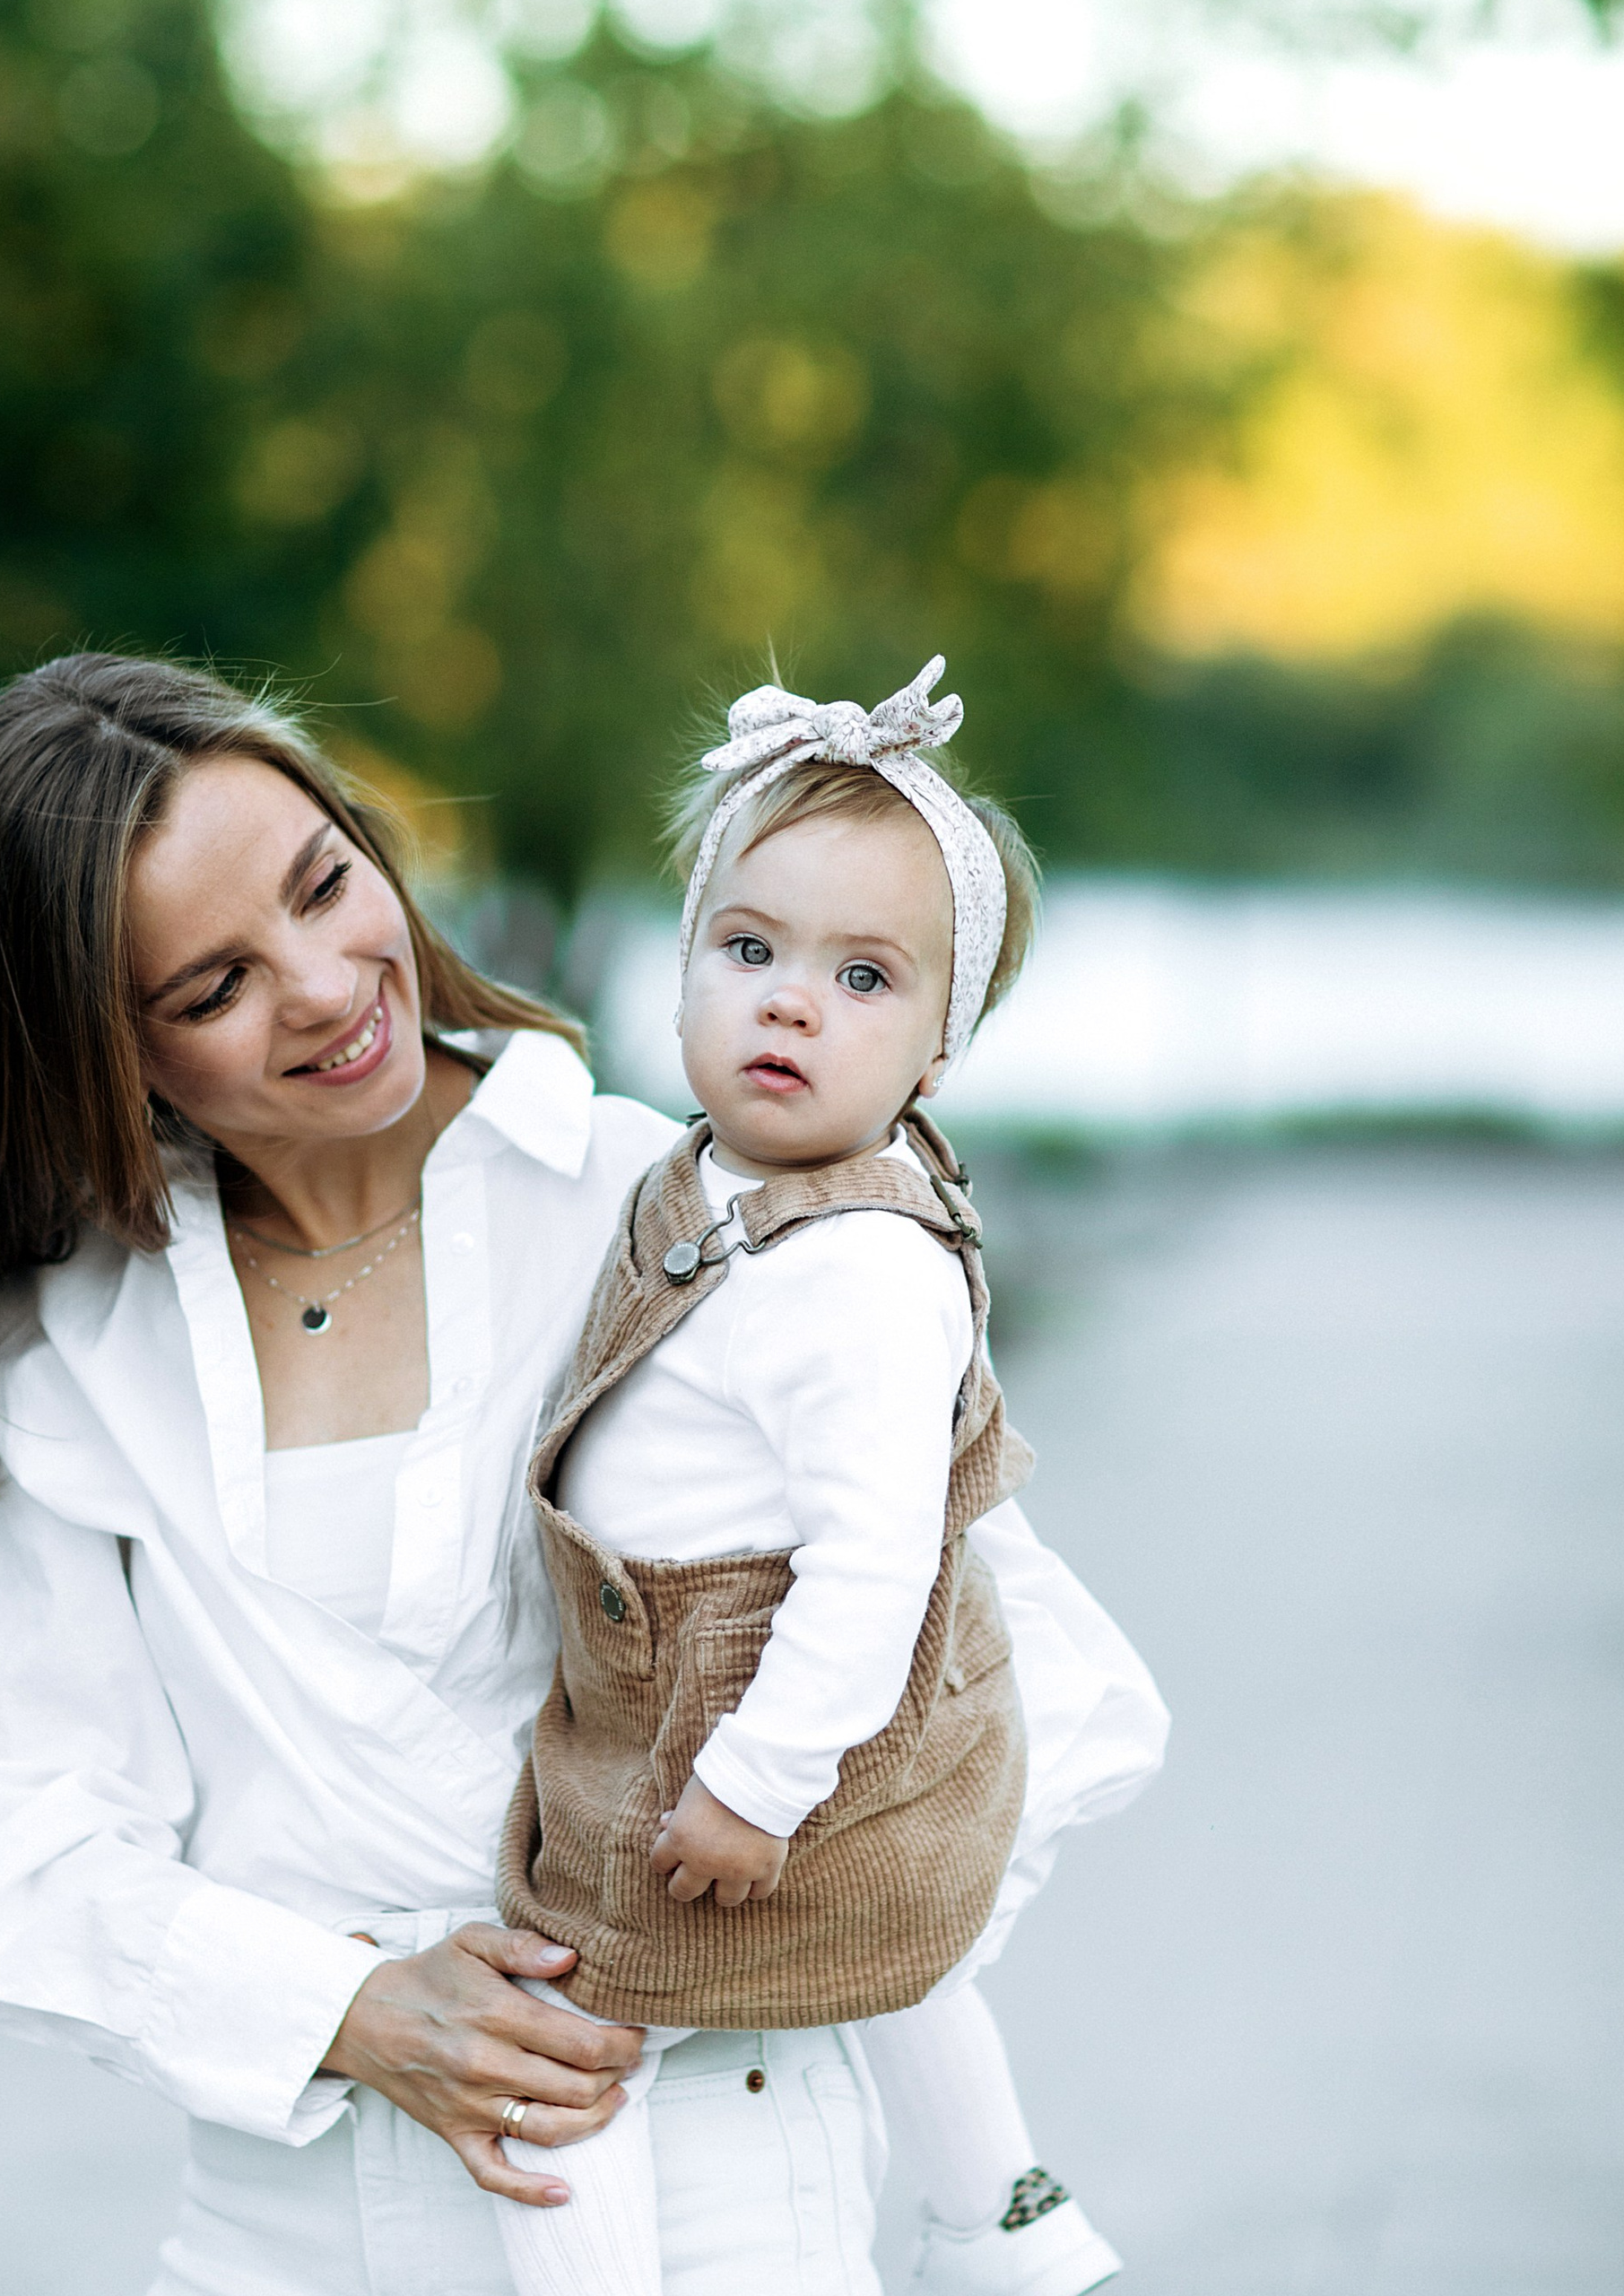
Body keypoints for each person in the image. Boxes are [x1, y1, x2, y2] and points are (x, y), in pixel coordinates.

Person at [0, 652, 1165, 2296]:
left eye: (329, 883)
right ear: (90, 1053)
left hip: (728, 2198)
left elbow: (1018, 1688)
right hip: (286, 2235)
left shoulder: (690, 1213)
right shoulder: (52, 1357)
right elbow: (8, 1853)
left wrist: (712, 1942)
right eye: (213, 988)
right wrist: (351, 2008)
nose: (331, 985)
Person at [479, 659, 1151, 2296]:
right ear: (690, 957)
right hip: (718, 1685)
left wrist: (754, 1785)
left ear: (939, 1050)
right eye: (751, 949)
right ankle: (1009, 2229)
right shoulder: (699, 1171)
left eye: (864, 978)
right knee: (889, 1955)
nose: (790, 1003)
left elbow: (879, 1561)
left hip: (747, 1715)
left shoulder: (859, 1264)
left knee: (554, 2039)